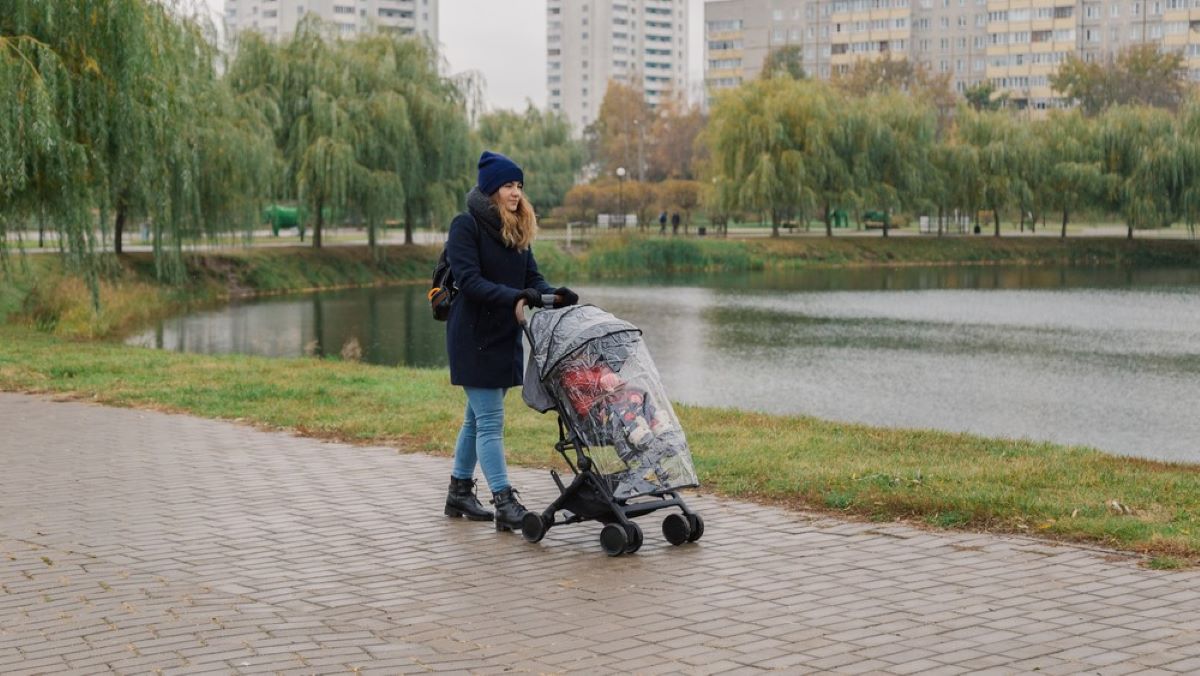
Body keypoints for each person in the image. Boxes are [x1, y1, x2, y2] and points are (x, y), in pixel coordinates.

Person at [443, 150, 579, 532]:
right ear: (490, 190)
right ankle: (504, 500)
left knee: (475, 418)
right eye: (507, 185)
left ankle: (459, 491)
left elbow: (531, 278)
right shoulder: (465, 226)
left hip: (504, 336)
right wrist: (518, 297)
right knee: (490, 421)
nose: (515, 192)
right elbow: (469, 282)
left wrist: (552, 294)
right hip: (473, 336)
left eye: (519, 185)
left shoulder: (517, 230)